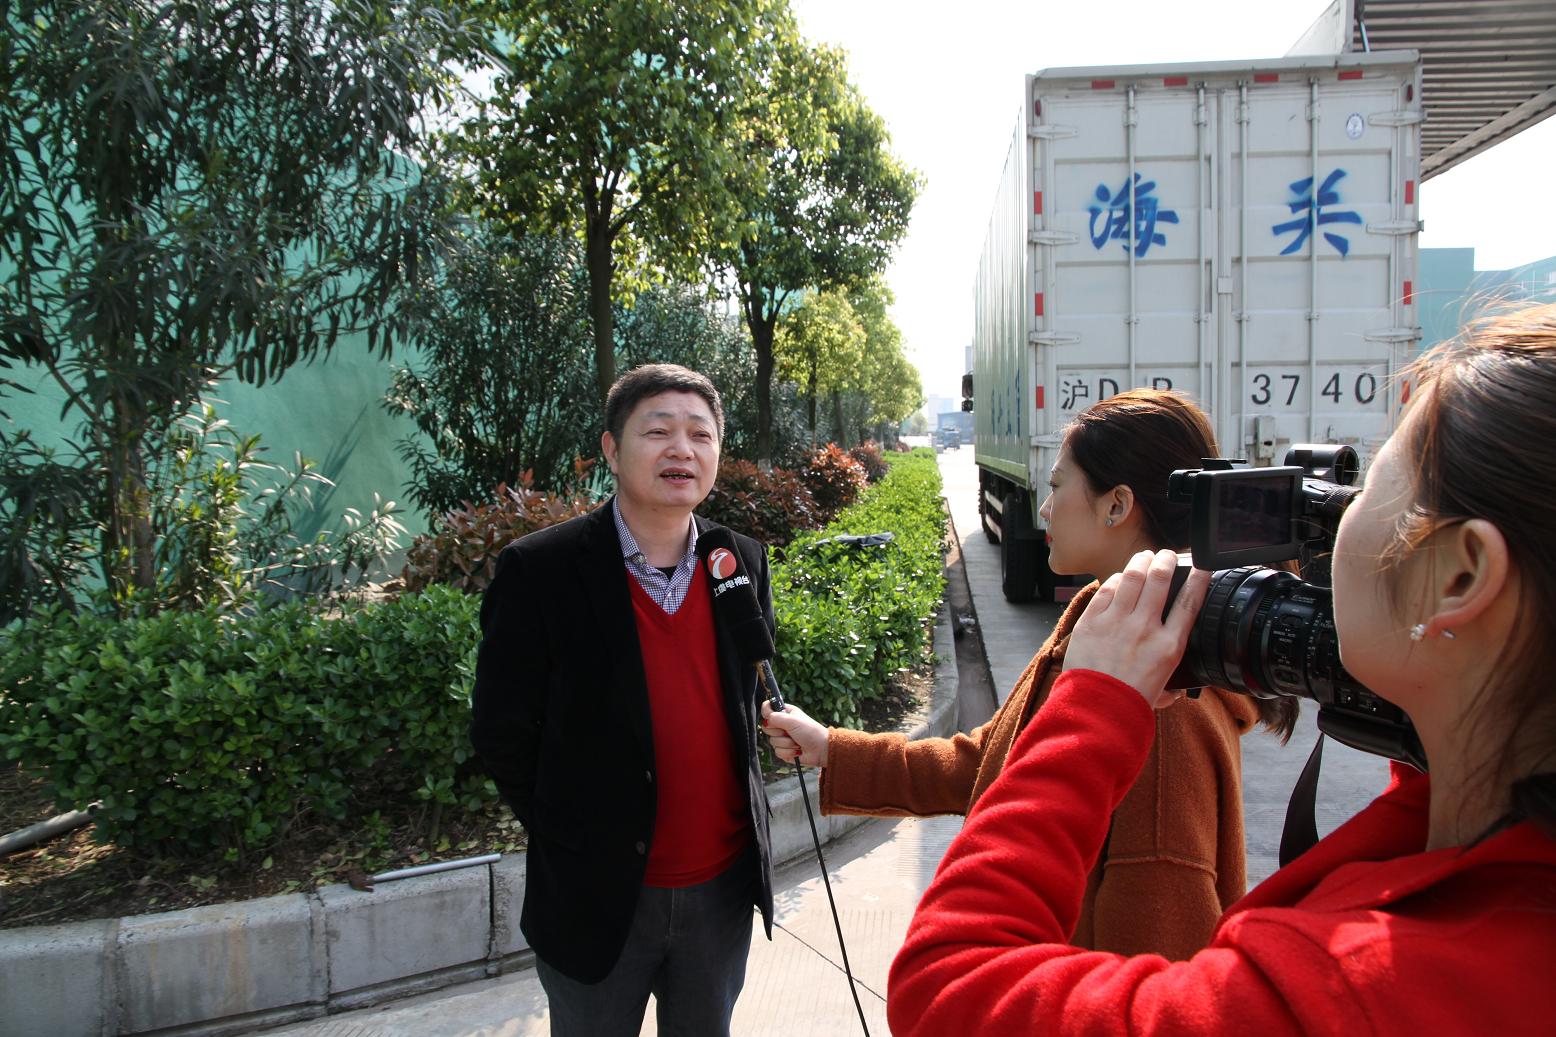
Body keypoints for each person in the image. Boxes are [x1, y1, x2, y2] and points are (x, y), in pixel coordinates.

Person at [886, 303, 1556, 1035]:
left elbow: (950, 987)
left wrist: (1093, 710)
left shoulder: (1350, 987)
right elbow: (989, 759)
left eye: (1369, 493)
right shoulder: (1471, 842)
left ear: (1461, 577)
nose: (1330, 525)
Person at [762, 389, 1297, 959]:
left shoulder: (1163, 709)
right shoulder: (1107, 634)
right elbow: (993, 765)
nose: (1043, 508)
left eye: (1057, 486)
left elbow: (1155, 966)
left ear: (1117, 505)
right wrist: (831, 750)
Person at [470, 364, 776, 1037]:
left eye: (700, 434)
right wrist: (572, 833)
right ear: (612, 449)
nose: (682, 449)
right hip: (596, 896)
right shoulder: (541, 570)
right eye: (658, 431)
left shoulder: (740, 561)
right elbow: (500, 730)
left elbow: (741, 700)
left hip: (721, 894)